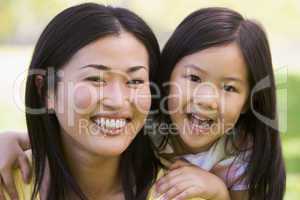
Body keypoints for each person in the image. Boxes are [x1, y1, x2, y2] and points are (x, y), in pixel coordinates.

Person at [0, 3, 230, 200]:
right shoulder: (8, 182)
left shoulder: (180, 194)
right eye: (96, 79)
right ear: (46, 92)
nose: (118, 101)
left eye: (135, 81)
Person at [149, 7, 286, 200]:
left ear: (248, 101)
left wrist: (219, 192)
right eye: (194, 78)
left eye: (229, 88)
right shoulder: (144, 128)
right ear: (168, 76)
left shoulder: (242, 153)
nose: (207, 100)